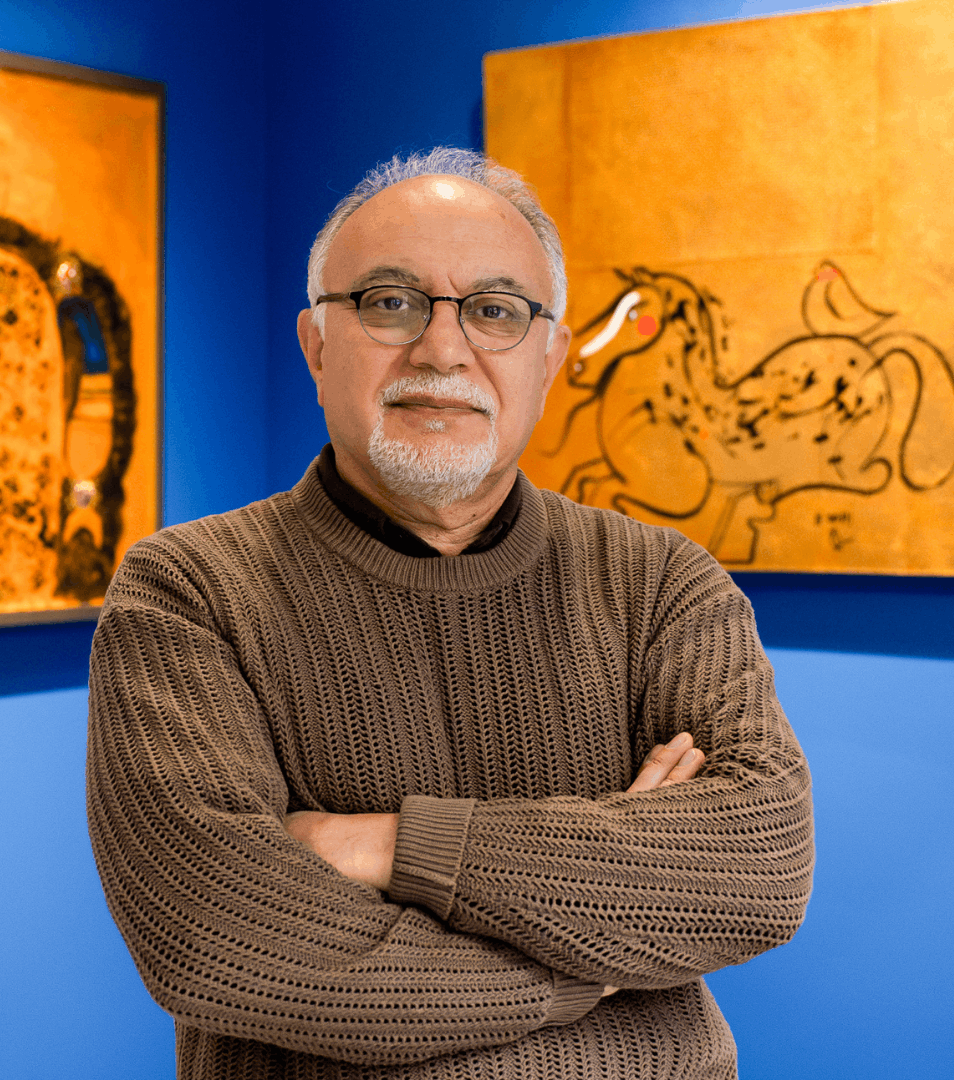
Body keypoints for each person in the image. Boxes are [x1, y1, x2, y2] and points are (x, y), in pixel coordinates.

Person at [86, 147, 814, 1080]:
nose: (441, 349)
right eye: (390, 302)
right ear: (316, 346)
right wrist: (588, 964)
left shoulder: (662, 582)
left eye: (495, 311)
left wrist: (387, 845)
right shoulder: (188, 593)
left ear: (549, 359)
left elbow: (758, 865)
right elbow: (218, 936)